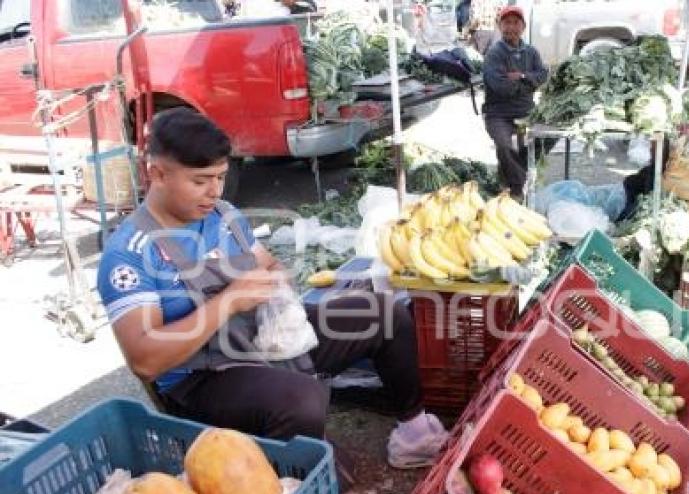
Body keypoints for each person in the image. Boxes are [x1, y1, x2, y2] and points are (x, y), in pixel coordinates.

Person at [96, 108, 448, 471]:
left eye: (220, 177)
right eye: (200, 181)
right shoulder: (129, 254)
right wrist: (229, 301)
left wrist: (278, 288)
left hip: (260, 338)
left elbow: (268, 265)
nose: (213, 192)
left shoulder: (222, 214)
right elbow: (145, 360)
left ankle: (414, 433)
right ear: (157, 174)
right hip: (200, 378)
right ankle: (299, 487)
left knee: (381, 313)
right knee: (303, 400)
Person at [481, 6, 547, 198]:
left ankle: (516, 171)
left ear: (523, 26)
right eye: (507, 22)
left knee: (549, 136)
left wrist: (521, 76)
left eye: (516, 22)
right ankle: (520, 185)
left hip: (526, 111)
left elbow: (543, 76)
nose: (511, 27)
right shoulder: (494, 54)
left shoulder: (531, 52)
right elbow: (500, 87)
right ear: (500, 26)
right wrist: (529, 83)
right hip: (498, 113)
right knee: (503, 145)